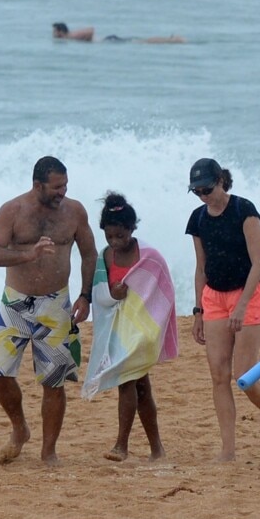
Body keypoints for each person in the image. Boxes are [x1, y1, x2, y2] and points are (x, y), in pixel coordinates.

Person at [0, 156, 96, 466]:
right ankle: (20, 428)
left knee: (54, 380)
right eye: (57, 187)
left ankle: (49, 452)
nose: (62, 192)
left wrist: (86, 296)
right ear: (37, 185)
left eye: (65, 186)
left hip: (55, 304)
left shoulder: (74, 212)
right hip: (16, 302)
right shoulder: (13, 211)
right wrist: (28, 254)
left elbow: (89, 253)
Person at [185, 157, 260, 462]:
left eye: (207, 188)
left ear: (221, 181)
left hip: (249, 292)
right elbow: (200, 267)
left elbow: (258, 262)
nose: (203, 195)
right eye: (197, 191)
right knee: (219, 374)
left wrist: (242, 305)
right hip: (214, 296)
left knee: (245, 374)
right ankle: (228, 450)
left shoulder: (244, 210)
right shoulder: (198, 219)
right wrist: (198, 311)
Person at [81, 193, 179, 462]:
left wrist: (139, 306)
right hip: (119, 332)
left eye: (120, 236)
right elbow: (100, 296)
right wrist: (114, 294)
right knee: (142, 388)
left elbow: (163, 293)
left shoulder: (149, 257)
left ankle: (121, 446)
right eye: (110, 236)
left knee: (126, 382)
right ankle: (157, 448)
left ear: (132, 229)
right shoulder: (105, 258)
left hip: (144, 332)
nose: (115, 242)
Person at [52, 21, 186, 44]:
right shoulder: (70, 38)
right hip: (109, 41)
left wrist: (68, 37)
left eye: (54, 31)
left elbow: (91, 30)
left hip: (109, 41)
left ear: (59, 31)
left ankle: (172, 40)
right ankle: (171, 40)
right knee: (141, 41)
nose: (53, 34)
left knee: (142, 42)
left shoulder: (69, 37)